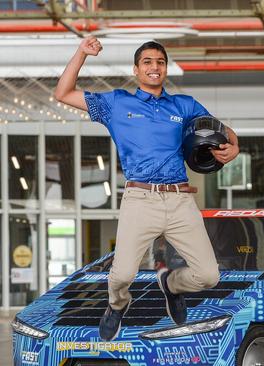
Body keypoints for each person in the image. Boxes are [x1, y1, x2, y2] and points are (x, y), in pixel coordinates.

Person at [54, 36, 240, 341]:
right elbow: (62, 93)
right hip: (140, 200)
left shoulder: (184, 105)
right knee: (122, 275)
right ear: (137, 70)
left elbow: (221, 128)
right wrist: (81, 53)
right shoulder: (116, 103)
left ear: (165, 69)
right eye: (147, 62)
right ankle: (117, 306)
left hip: (180, 201)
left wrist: (235, 145)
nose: (155, 67)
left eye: (160, 62)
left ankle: (170, 284)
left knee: (208, 276)